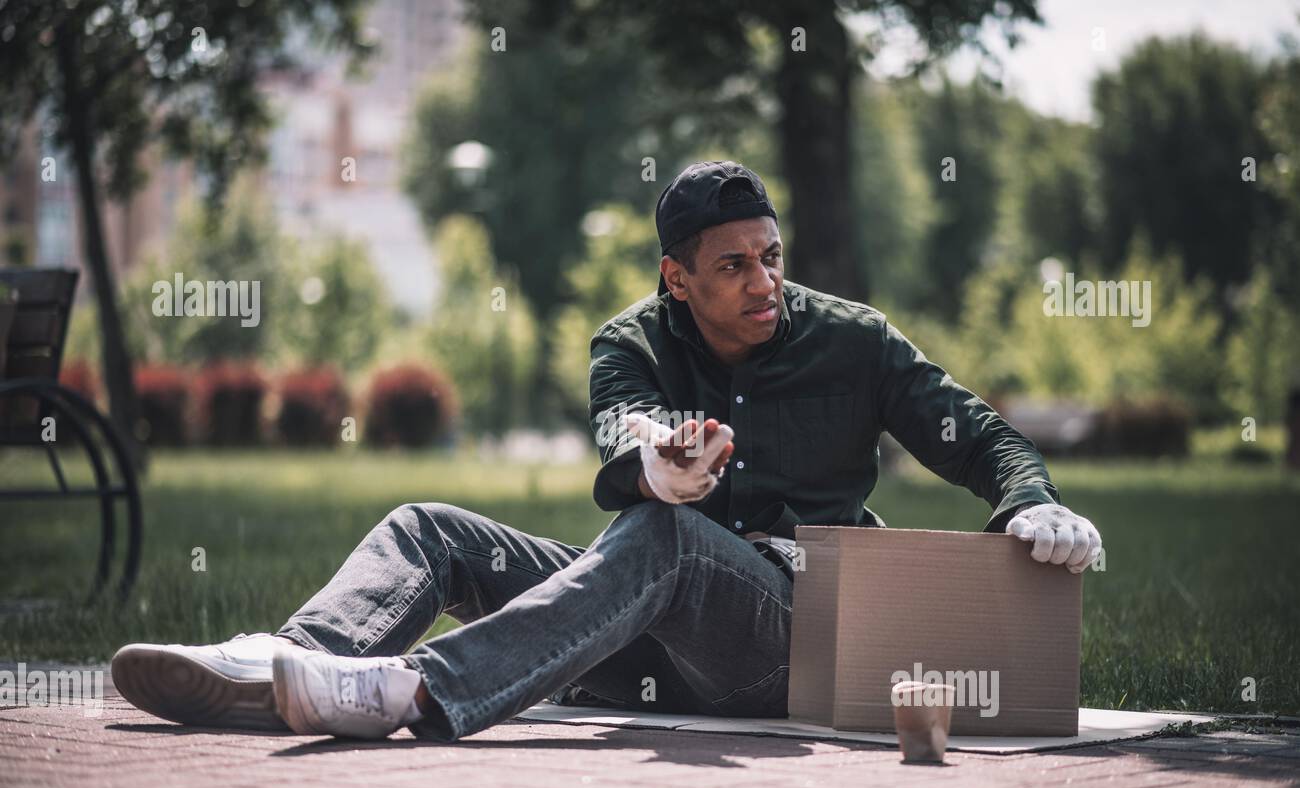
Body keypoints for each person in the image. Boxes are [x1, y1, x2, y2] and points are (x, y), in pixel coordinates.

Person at [111, 160, 1102, 743]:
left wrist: (1028, 500)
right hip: (623, 629)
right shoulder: (632, 341)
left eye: (771, 257)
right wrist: (655, 463)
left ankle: (415, 689)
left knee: (663, 540)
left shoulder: (851, 339)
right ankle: (290, 667)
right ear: (678, 279)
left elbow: (968, 429)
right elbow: (619, 425)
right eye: (732, 267)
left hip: (773, 638)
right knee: (431, 528)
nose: (763, 282)